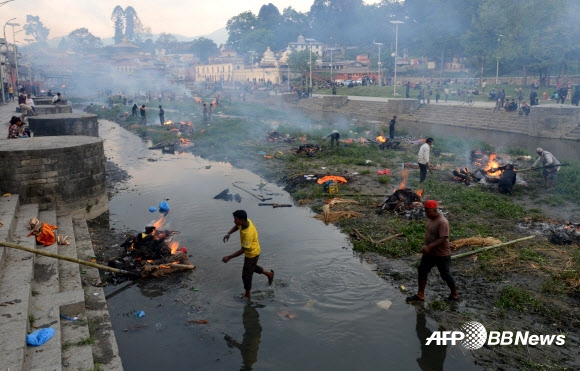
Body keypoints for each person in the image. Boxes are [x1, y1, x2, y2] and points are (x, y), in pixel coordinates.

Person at [406, 200, 458, 303]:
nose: (426, 214)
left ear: (435, 210)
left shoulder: (443, 222)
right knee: (422, 270)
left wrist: (429, 247)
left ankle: (454, 294)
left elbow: (443, 238)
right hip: (429, 253)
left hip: (441, 254)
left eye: (428, 212)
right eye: (425, 211)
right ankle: (420, 295)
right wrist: (428, 247)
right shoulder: (431, 218)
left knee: (445, 274)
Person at [222, 210, 274, 300]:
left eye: (236, 219)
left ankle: (247, 295)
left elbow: (243, 249)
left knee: (246, 275)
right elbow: (237, 226)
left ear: (242, 220)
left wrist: (229, 257)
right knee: (251, 267)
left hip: (252, 253)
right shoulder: (246, 221)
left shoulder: (248, 234)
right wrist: (228, 233)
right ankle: (269, 274)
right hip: (255, 249)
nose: (234, 221)